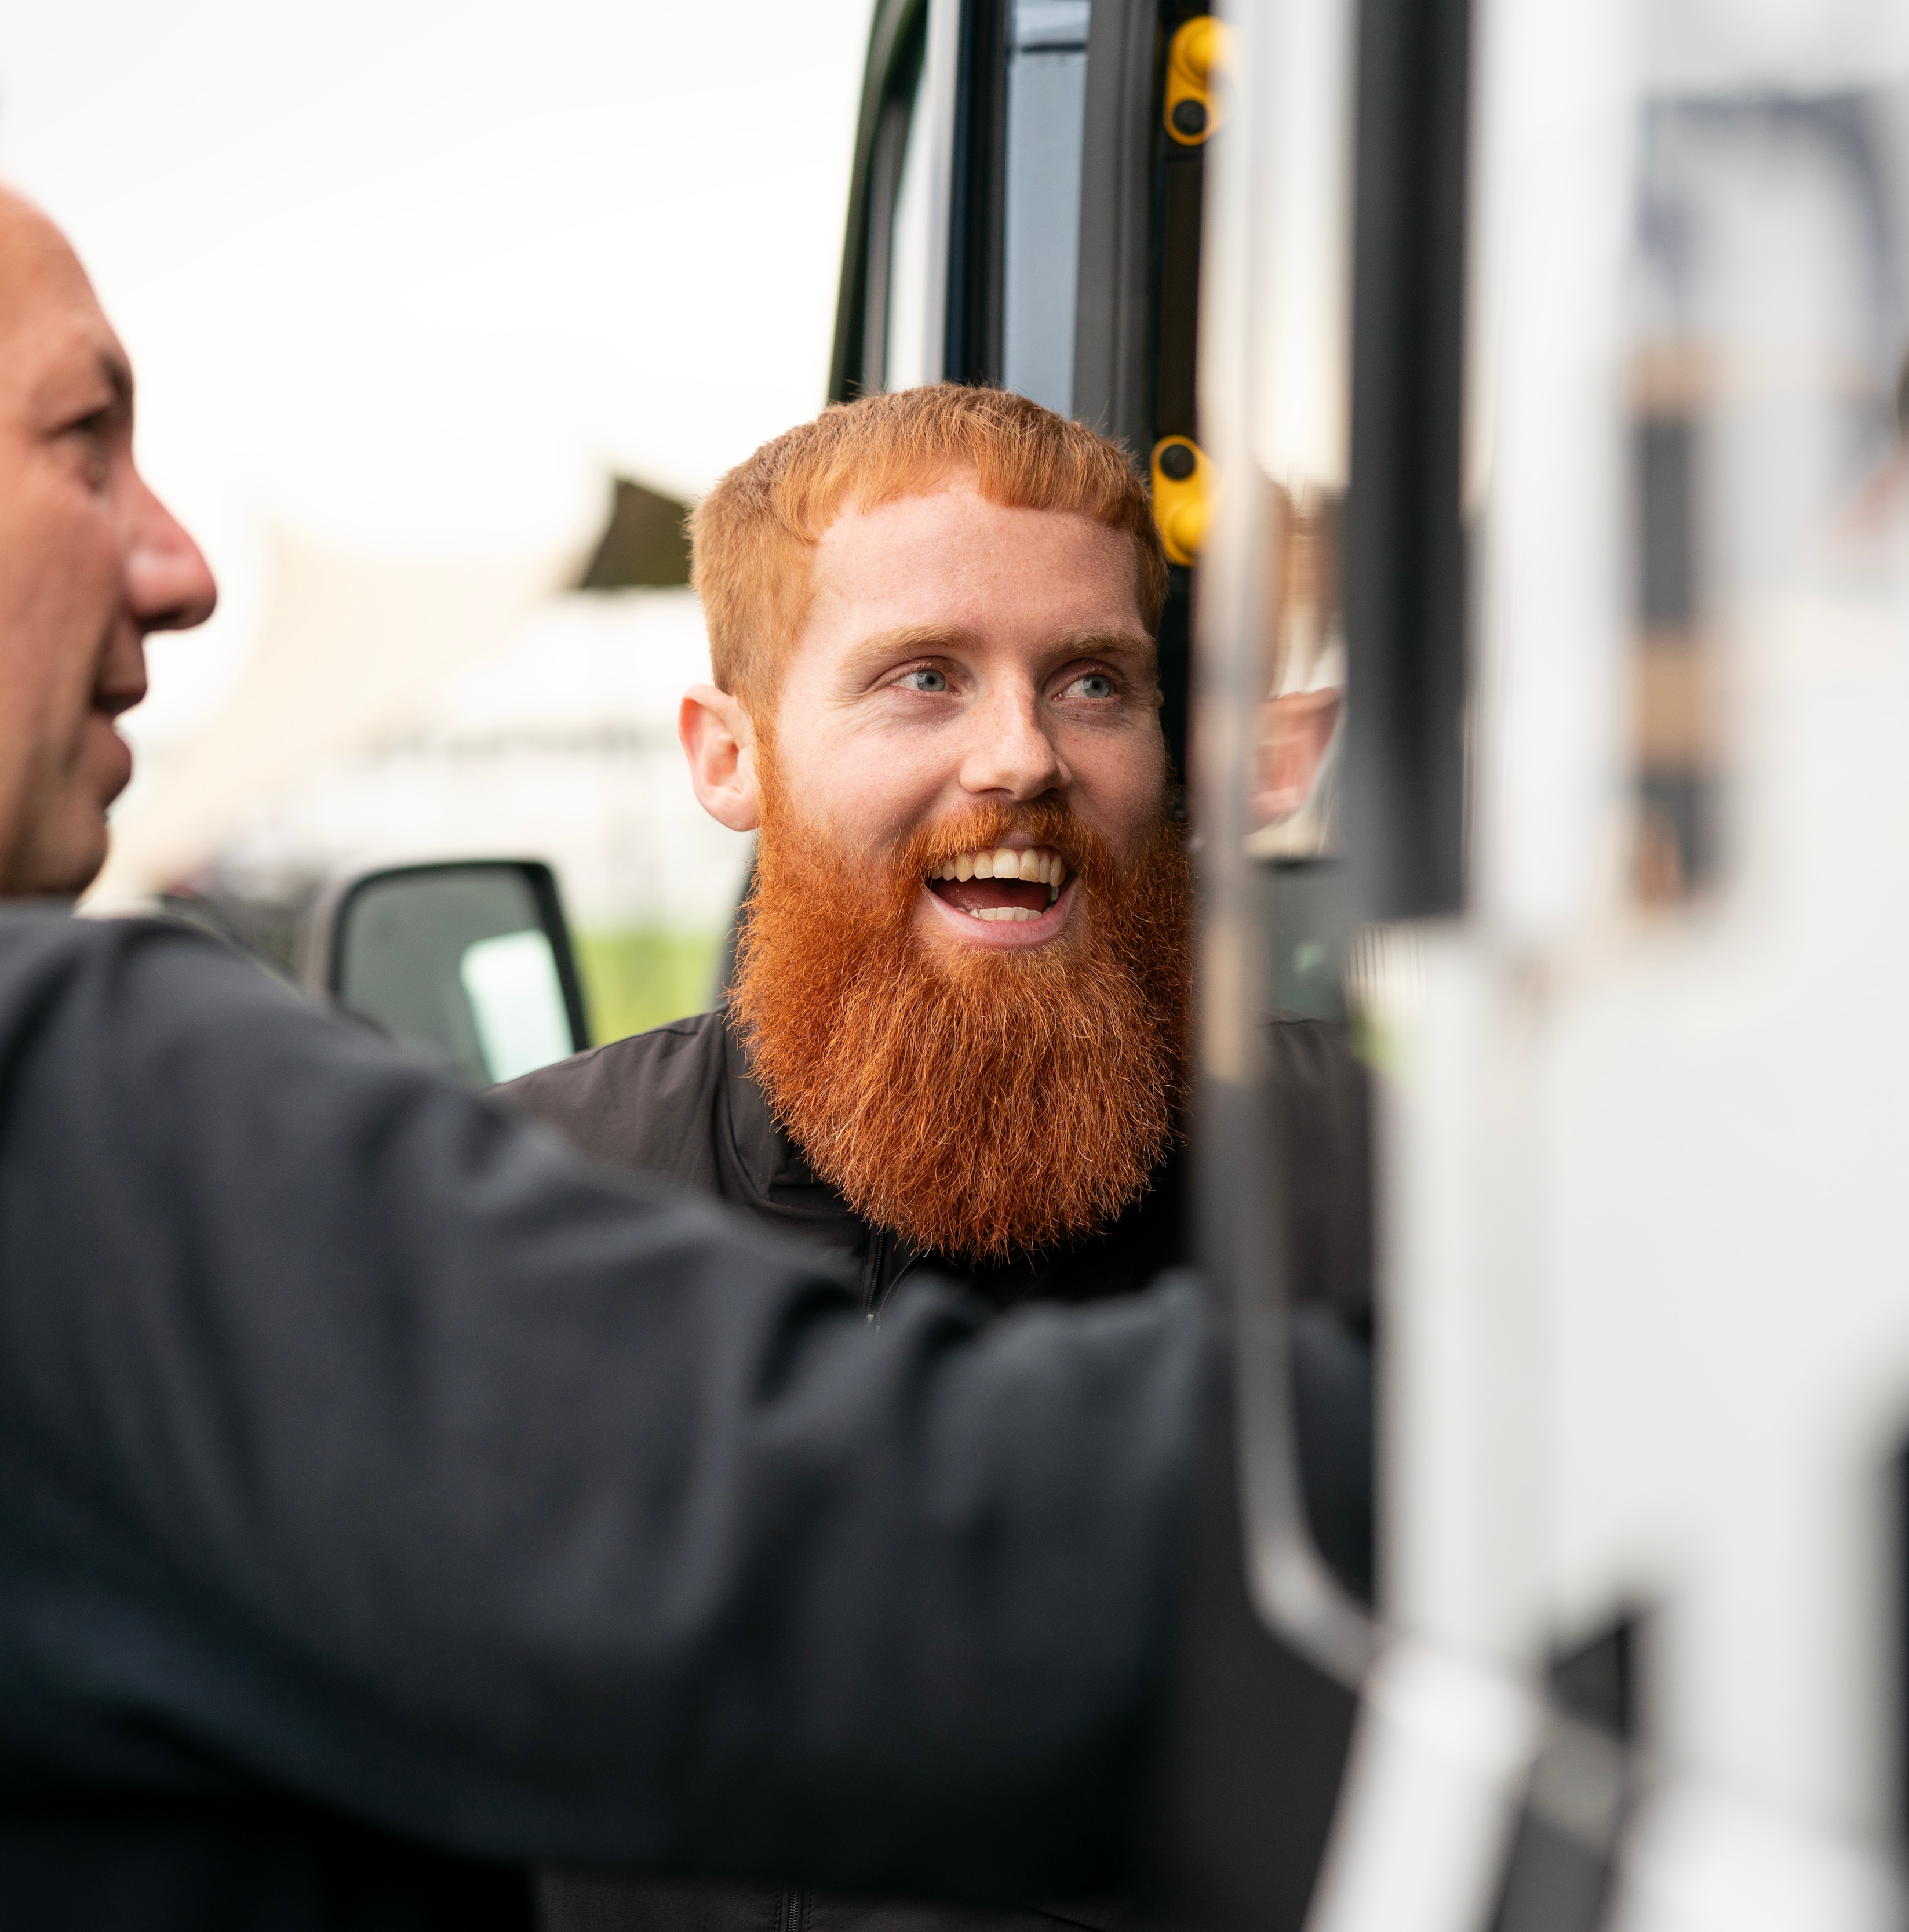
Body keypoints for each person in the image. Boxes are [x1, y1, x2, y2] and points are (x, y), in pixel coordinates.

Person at [0, 46, 1355, 1926]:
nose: (178, 569)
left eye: (1094, 681)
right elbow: (923, 1561)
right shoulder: (32, 1110)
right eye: (83, 441)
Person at [500, 390, 1373, 1932]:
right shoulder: (529, 1220)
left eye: (1096, 682)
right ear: (731, 756)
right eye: (924, 679)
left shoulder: (1379, 1193)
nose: (1022, 757)